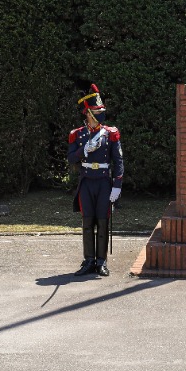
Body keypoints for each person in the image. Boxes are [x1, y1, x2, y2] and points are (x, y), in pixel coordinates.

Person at [67, 84, 124, 277]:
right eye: (96, 111)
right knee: (87, 222)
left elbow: (119, 161)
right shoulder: (78, 134)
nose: (100, 114)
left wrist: (117, 185)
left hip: (103, 182)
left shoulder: (110, 133)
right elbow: (71, 158)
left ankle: (101, 262)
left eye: (101, 111)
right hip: (86, 182)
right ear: (88, 114)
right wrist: (84, 150)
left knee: (103, 221)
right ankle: (89, 260)